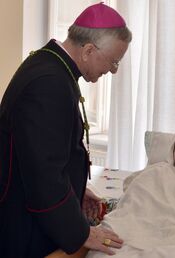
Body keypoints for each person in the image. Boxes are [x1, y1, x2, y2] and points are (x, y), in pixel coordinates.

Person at [0, 2, 131, 257]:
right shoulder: (50, 82)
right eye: (114, 61)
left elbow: (50, 152)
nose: (113, 71)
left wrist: (77, 191)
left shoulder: (51, 65)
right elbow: (44, 176)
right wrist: (82, 233)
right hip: (24, 224)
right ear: (89, 50)